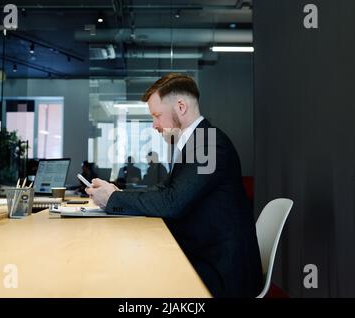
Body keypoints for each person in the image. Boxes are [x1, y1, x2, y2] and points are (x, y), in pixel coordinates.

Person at [87, 73, 262, 297]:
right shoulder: (197, 142)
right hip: (205, 254)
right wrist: (116, 193)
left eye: (157, 116)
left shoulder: (208, 145)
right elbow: (164, 191)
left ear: (181, 107)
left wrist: (113, 199)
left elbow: (172, 202)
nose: (154, 125)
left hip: (222, 271)